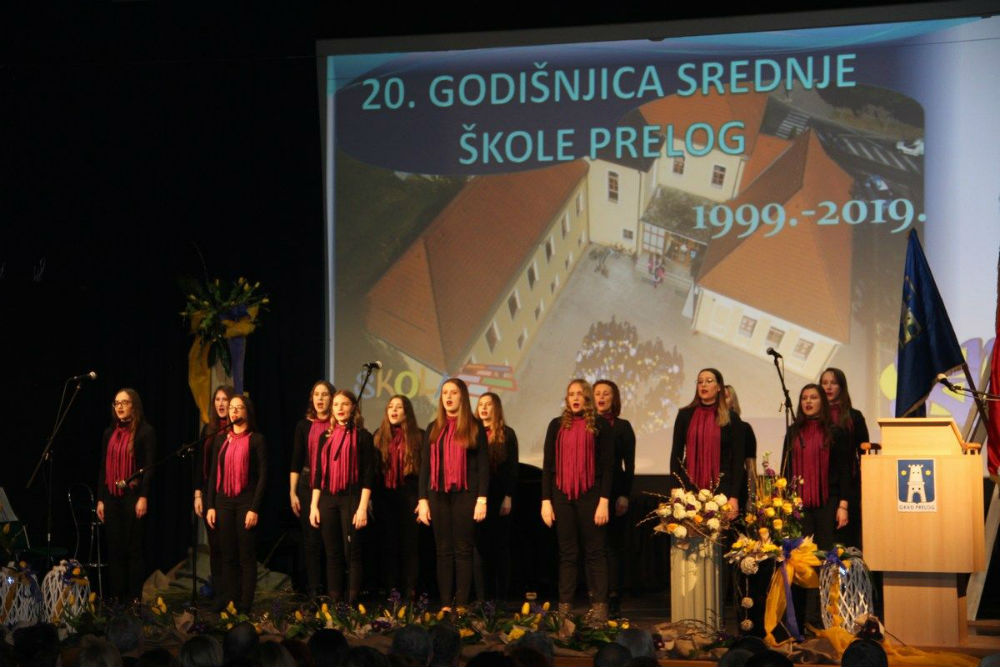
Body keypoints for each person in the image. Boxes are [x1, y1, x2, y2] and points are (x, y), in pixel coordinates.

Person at [541, 379, 614, 623]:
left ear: (587, 398)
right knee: (567, 554)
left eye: (579, 394)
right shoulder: (556, 425)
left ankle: (600, 608)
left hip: (592, 494)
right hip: (562, 495)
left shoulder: (600, 425)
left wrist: (604, 501)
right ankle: (565, 609)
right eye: (571, 394)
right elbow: (548, 466)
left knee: (595, 552)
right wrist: (546, 500)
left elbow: (608, 467)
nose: (574, 398)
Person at [781, 384, 851, 629]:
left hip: (828, 504)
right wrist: (786, 504)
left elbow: (845, 471)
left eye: (813, 397)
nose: (808, 402)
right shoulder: (793, 432)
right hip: (800, 507)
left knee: (826, 561)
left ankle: (825, 617)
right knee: (801, 563)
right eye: (804, 398)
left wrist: (843, 505)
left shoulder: (836, 432)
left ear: (822, 401)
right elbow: (786, 470)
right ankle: (799, 620)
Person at [417, 378, 489, 609]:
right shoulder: (433, 427)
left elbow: (483, 466)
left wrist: (482, 499)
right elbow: (425, 467)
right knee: (443, 550)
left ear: (462, 397)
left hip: (466, 493)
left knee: (463, 550)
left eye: (454, 392)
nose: (448, 397)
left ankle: (462, 604)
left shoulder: (474, 427)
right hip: (438, 493)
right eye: (445, 392)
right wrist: (422, 499)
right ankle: (446, 604)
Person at [309, 389, 375, 603]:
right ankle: (335, 604)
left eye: (344, 404)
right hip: (328, 498)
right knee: (332, 553)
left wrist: (363, 507)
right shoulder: (325, 437)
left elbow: (368, 475)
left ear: (353, 407)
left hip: (352, 497)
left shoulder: (363, 436)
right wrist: (313, 506)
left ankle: (352, 605)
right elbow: (318, 473)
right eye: (336, 404)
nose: (339, 408)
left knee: (352, 553)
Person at [205, 394, 267, 614]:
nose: (233, 411)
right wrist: (210, 505)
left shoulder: (256, 440)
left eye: (238, 407)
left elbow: (263, 476)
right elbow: (213, 475)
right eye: (231, 407)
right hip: (223, 501)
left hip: (245, 502)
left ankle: (244, 604)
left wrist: (254, 508)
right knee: (227, 554)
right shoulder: (221, 439)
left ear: (247, 411)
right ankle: (230, 601)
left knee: (245, 555)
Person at [97, 388, 157, 602]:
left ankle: (134, 600)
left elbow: (149, 467)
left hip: (133, 496)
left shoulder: (145, 432)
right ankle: (117, 599)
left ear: (134, 405)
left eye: (124, 402)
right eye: (116, 403)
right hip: (111, 497)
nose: (120, 406)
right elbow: (103, 468)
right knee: (115, 550)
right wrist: (101, 499)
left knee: (133, 550)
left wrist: (144, 496)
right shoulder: (109, 433)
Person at [669, 369, 744, 510]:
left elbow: (738, 460)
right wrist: (674, 488)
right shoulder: (684, 415)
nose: (703, 385)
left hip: (721, 487)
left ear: (719, 387)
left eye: (709, 381)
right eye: (700, 382)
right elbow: (676, 454)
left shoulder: (731, 418)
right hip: (689, 485)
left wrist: (734, 496)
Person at [373, 395, 422, 600]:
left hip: (410, 495)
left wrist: (423, 499)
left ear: (406, 411)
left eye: (399, 407)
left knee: (410, 545)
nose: (393, 410)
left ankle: (410, 589)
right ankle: (391, 590)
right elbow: (373, 472)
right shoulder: (378, 436)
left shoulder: (419, 436)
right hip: (385, 497)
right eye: (390, 406)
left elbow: (425, 472)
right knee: (388, 545)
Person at [593, 380, 634, 616]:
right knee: (593, 547)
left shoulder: (622, 426)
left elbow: (629, 465)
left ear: (614, 398)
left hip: (615, 489)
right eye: (597, 393)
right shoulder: (585, 426)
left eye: (606, 394)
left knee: (611, 547)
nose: (601, 397)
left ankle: (613, 596)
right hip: (590, 491)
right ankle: (596, 596)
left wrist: (624, 495)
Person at [288, 380, 334, 596]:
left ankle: (333, 590)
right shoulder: (303, 426)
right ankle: (315, 590)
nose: (320, 398)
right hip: (307, 484)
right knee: (311, 540)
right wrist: (292, 492)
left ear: (332, 398)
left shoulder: (337, 425)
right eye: (316, 394)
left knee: (330, 539)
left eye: (324, 394)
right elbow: (296, 461)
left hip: (332, 485)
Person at [473, 392, 518, 604]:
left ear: (496, 408)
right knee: (478, 547)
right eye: (480, 404)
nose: (483, 408)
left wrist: (508, 496)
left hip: (499, 495)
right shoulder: (472, 433)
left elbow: (512, 468)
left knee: (500, 548)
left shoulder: (507, 434)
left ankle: (501, 597)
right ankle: (482, 597)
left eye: (488, 404)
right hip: (476, 498)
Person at [820, 368, 868, 547]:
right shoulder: (816, 418)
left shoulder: (854, 416)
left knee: (847, 538)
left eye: (833, 383)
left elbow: (864, 452)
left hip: (849, 482)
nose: (828, 387)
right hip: (823, 484)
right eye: (824, 383)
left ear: (841, 386)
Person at [193, 384, 234, 598]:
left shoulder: (238, 430)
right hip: (210, 493)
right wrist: (197, 494)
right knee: (215, 546)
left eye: (225, 399)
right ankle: (218, 590)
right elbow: (200, 464)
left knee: (229, 546)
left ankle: (231, 592)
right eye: (217, 400)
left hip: (231, 494)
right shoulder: (208, 430)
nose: (220, 404)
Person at [724, 385, 757, 512]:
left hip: (737, 489)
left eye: (725, 397)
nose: (721, 402)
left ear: (733, 402)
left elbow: (751, 467)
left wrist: (752, 498)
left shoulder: (744, 428)